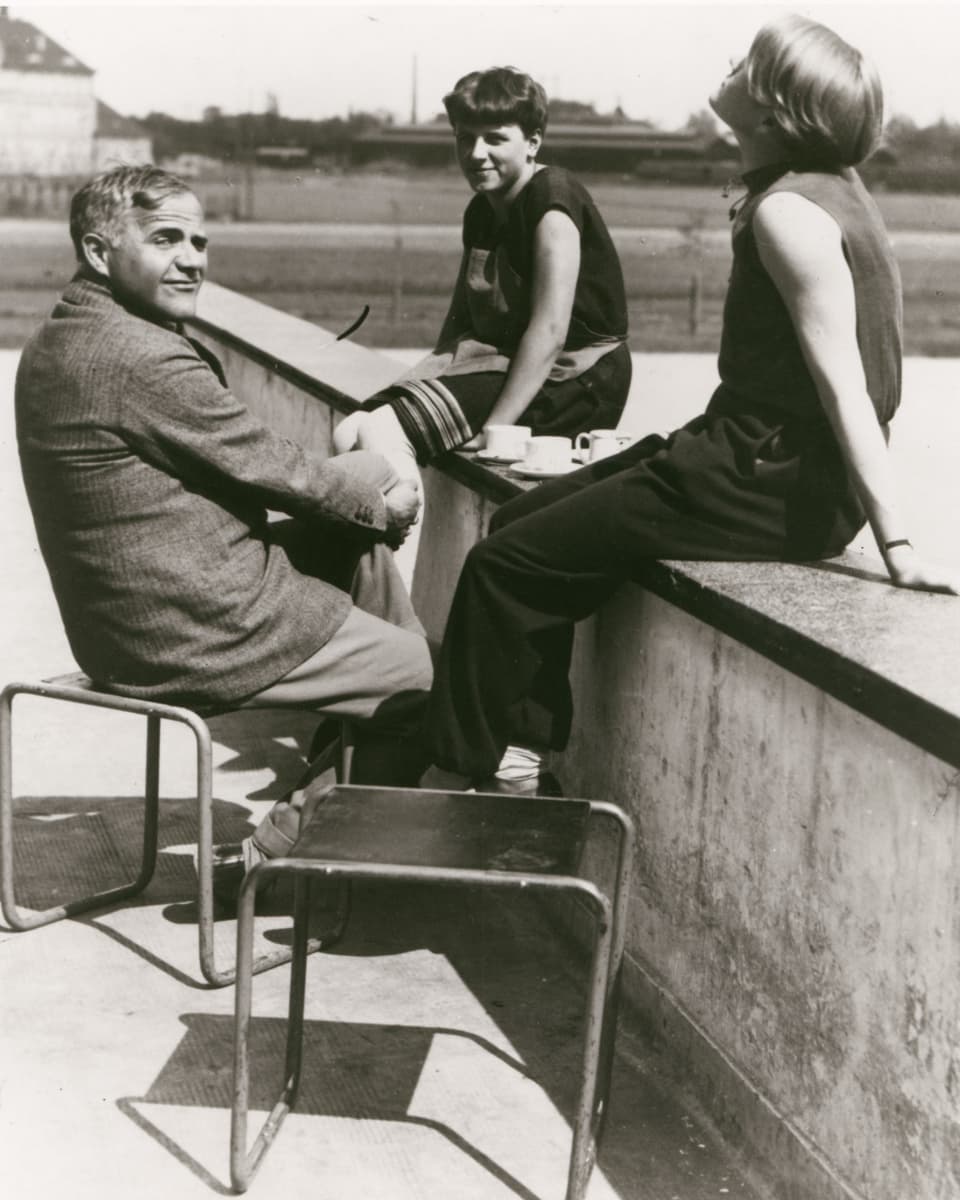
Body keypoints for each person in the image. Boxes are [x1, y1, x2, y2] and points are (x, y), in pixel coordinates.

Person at [418, 13, 960, 793]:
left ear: (773, 110)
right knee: (518, 523)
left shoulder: (787, 214)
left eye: (747, 64)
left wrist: (896, 547)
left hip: (761, 477)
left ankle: (467, 767)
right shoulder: (828, 191)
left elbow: (846, 387)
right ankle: (524, 748)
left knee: (499, 564)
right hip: (754, 457)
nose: (729, 66)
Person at [15, 164, 433, 899]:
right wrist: (385, 508)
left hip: (131, 618)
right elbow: (275, 467)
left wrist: (365, 498)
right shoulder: (138, 356)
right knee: (432, 684)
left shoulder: (65, 336)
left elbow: (276, 474)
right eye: (166, 238)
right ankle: (286, 846)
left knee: (360, 493)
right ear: (98, 250)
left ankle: (366, 753)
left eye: (199, 240)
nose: (193, 258)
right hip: (199, 627)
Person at [332, 66, 631, 581]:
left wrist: (500, 428)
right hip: (505, 363)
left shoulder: (551, 198)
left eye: (495, 139)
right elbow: (459, 321)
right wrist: (422, 380)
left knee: (384, 430)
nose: (476, 154)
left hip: (576, 377)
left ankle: (396, 590)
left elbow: (551, 329)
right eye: (464, 138)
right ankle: (370, 582)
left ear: (532, 142)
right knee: (350, 429)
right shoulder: (481, 211)